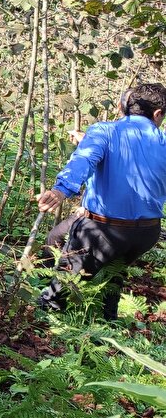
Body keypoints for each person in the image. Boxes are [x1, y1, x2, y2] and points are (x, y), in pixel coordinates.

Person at [34, 82, 166, 320]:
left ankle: (48, 310)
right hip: (147, 232)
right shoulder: (163, 140)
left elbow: (82, 163)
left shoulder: (104, 131)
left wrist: (60, 190)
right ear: (157, 114)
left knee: (63, 280)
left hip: (103, 230)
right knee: (115, 265)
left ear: (124, 106)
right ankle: (108, 319)